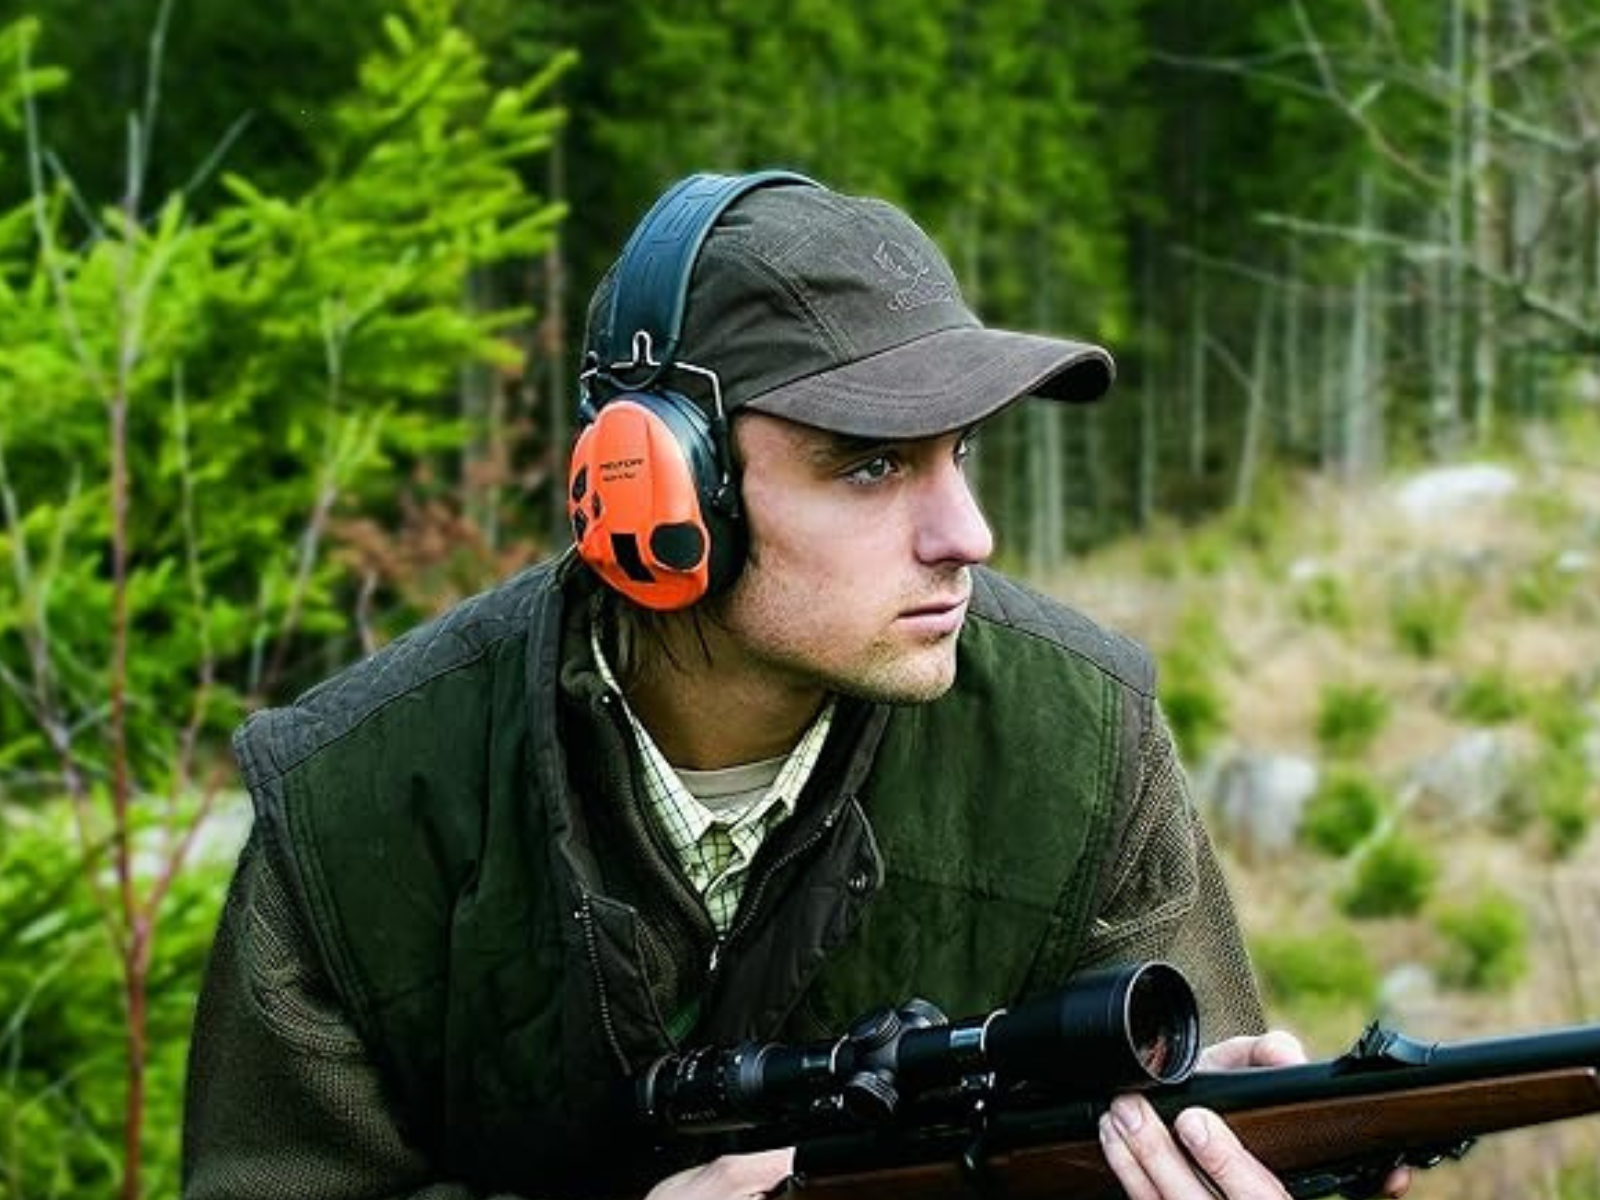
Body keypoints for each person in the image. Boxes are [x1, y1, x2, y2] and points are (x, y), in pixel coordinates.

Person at [181, 170, 1364, 1200]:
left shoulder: (1083, 738)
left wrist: (1263, 1157)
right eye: (867, 465)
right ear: (663, 489)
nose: (968, 534)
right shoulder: (355, 801)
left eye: (961, 454)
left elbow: (1198, 1112)